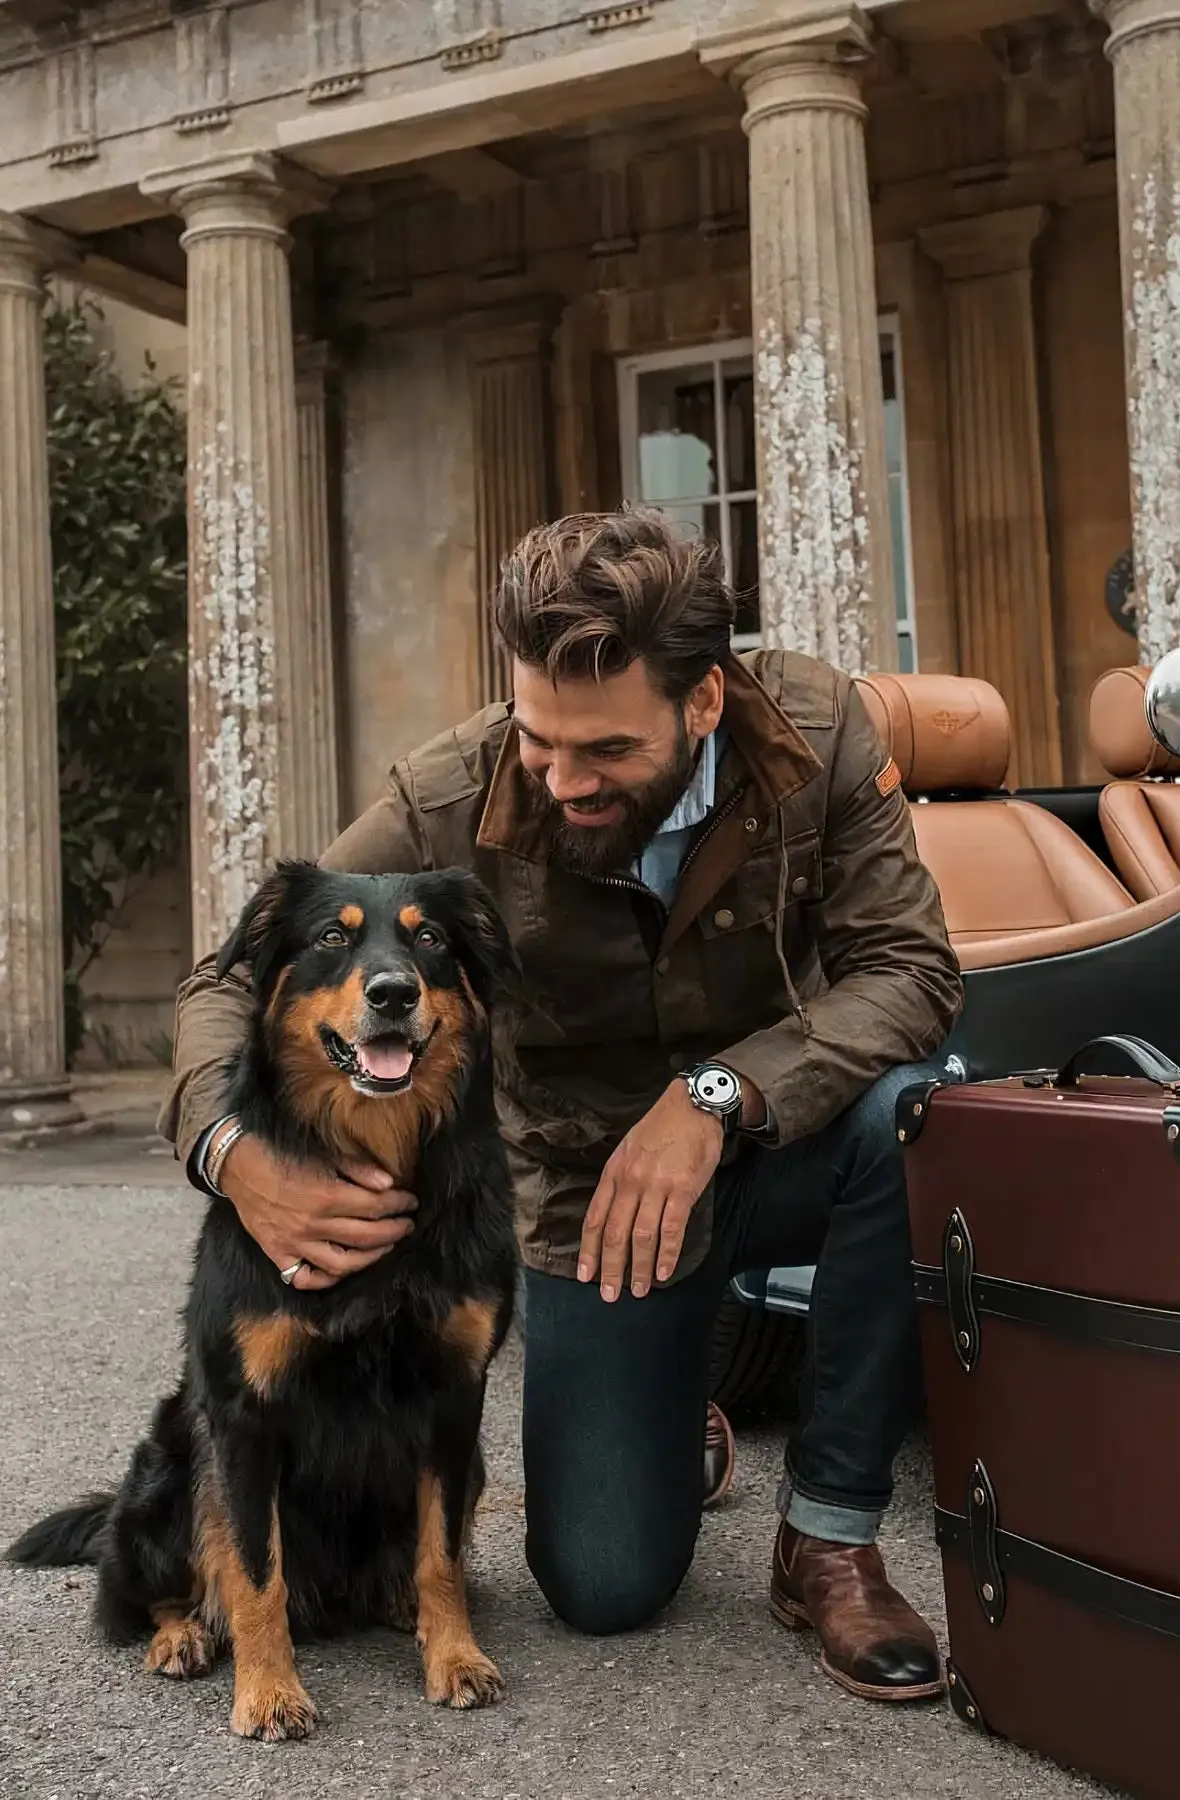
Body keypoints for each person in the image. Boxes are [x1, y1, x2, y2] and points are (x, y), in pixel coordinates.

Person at [160, 507, 964, 1701]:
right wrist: (231, 1152)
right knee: (600, 1584)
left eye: (605, 752)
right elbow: (234, 977)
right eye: (541, 739)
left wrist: (718, 1095)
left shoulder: (821, 729)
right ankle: (666, 1402)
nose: (562, 778)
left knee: (915, 1114)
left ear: (700, 703)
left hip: (785, 1141)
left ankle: (830, 1537)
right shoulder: (450, 789)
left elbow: (912, 969)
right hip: (595, 1199)